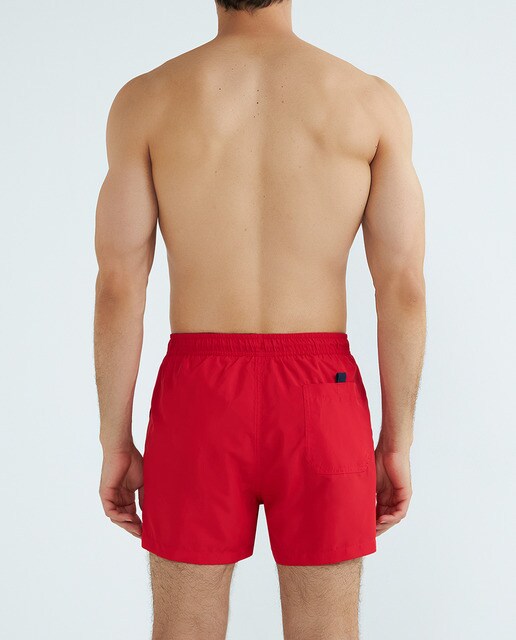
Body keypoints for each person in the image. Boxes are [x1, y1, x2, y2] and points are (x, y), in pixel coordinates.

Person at [94, 0, 426, 638]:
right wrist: (396, 441)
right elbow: (403, 287)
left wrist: (115, 439)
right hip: (322, 396)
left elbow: (118, 285)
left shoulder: (147, 100)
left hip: (198, 396)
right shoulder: (369, 102)